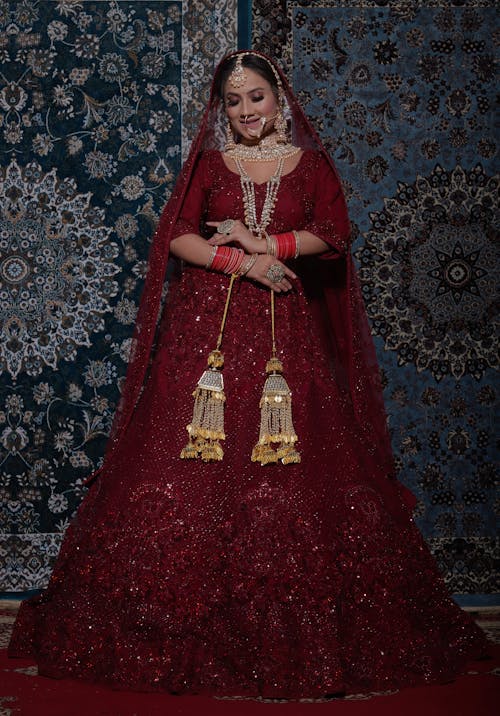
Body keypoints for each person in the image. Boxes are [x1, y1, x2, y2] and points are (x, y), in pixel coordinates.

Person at [9, 51, 487, 699]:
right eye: (233, 102)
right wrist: (240, 262)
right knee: (189, 460)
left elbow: (334, 233)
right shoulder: (210, 164)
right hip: (206, 335)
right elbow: (175, 235)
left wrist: (268, 247)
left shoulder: (309, 165)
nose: (244, 112)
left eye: (255, 98)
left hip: (283, 335)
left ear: (278, 97)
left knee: (288, 464)